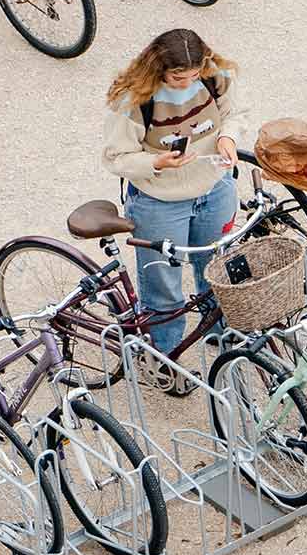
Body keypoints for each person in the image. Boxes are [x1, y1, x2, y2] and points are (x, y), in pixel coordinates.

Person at [103, 29, 247, 356]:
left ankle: (221, 337)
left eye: (194, 75)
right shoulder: (134, 100)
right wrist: (156, 162)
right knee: (163, 286)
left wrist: (229, 137)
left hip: (214, 188)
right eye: (178, 76)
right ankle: (168, 356)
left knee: (216, 270)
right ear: (158, 68)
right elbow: (116, 157)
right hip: (159, 203)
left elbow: (235, 114)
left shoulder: (214, 77)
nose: (187, 83)